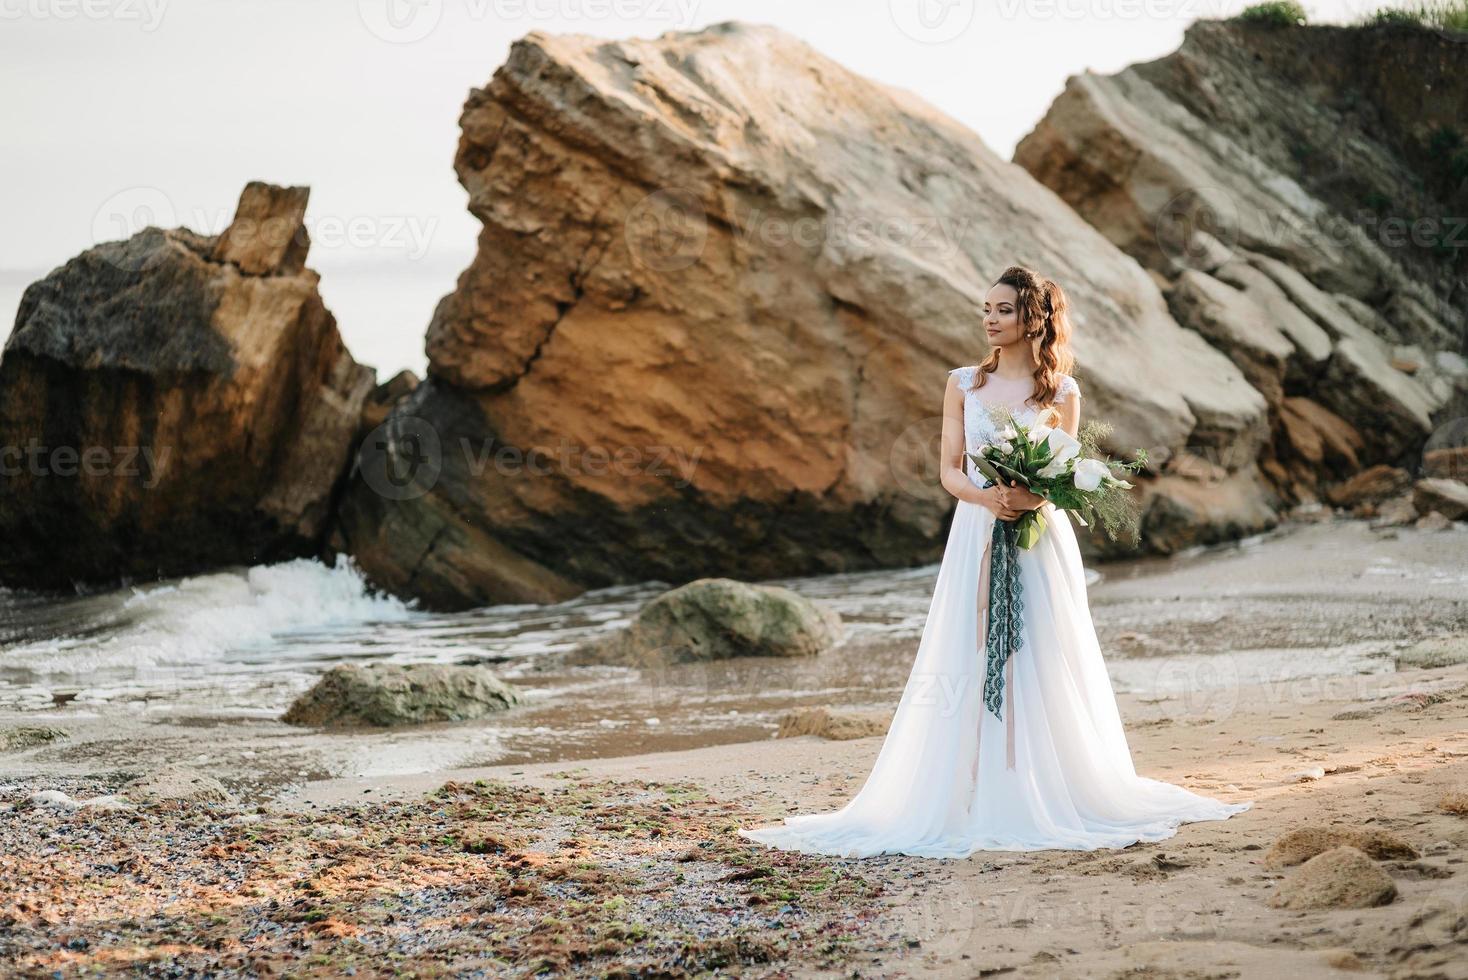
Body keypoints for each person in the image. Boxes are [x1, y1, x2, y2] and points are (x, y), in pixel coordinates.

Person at [737, 265, 1251, 858]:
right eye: (985, 309)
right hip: (977, 528)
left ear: (1034, 316)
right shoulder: (963, 383)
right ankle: (976, 781)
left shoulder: (1061, 392)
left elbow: (1062, 470)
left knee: (1042, 648)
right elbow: (949, 469)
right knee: (973, 642)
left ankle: (1038, 780)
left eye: (1002, 309)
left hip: (1038, 535)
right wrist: (990, 498)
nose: (988, 319)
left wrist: (1031, 496)